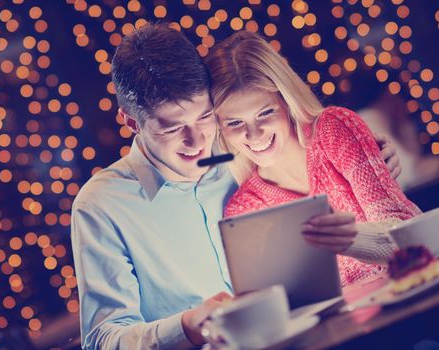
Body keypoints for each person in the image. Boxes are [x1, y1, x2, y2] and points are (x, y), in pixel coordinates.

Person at [71, 24, 401, 350]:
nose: (197, 141)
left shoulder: (241, 147)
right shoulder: (103, 204)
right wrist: (186, 325)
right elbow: (102, 339)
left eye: (204, 117)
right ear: (132, 122)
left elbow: (318, 158)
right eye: (172, 128)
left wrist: (371, 157)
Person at [205, 30, 421, 287]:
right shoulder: (245, 209)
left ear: (286, 101)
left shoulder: (333, 130)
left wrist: (349, 239)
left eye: (265, 113)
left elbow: (408, 233)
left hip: (419, 286)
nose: (253, 134)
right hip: (346, 325)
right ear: (220, 126)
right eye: (235, 122)